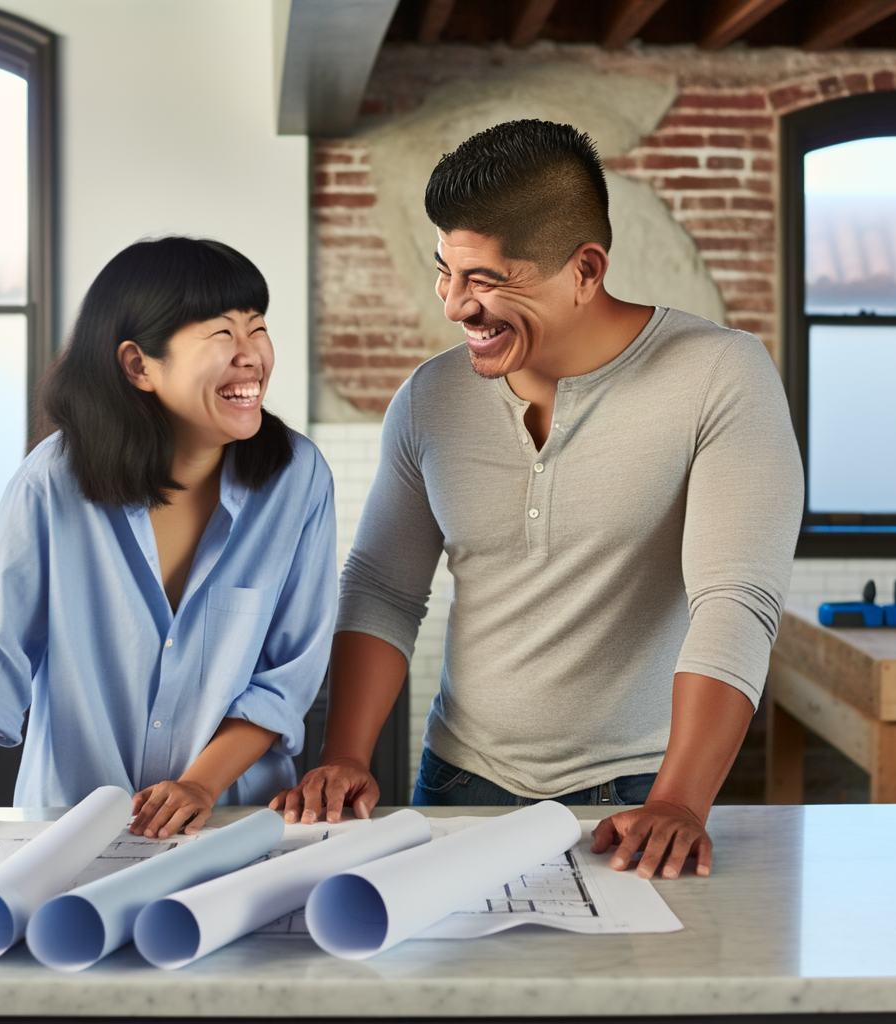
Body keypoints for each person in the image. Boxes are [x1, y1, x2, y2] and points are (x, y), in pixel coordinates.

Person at [271, 120, 803, 882]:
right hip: (457, 780)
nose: (455, 306)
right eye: (445, 272)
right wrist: (346, 754)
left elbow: (736, 599)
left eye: (486, 280)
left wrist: (681, 800)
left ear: (585, 270)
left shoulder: (720, 376)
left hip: (639, 794)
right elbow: (384, 590)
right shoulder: (429, 399)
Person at [0, 237, 336, 851]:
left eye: (258, 328)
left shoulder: (298, 479)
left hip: (233, 825)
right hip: (70, 826)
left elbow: (284, 675)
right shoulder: (53, 479)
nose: (252, 356)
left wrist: (198, 786)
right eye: (221, 334)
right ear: (139, 365)